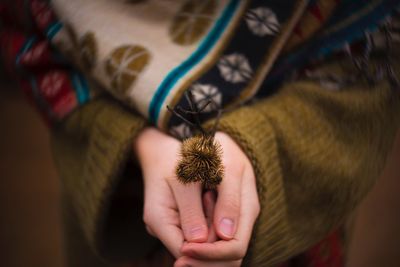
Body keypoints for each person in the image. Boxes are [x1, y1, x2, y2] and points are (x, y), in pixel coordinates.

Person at [1, 0, 399, 266]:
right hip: (115, 219)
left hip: (298, 222)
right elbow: (29, 40)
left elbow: (371, 64)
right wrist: (139, 144)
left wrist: (249, 148)